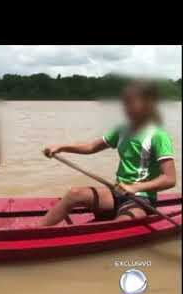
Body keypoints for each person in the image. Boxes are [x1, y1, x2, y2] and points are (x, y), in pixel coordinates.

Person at [39, 80, 176, 227]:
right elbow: (91, 147)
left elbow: (170, 179)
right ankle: (36, 232)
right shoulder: (122, 130)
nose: (127, 108)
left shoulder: (158, 136)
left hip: (141, 200)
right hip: (117, 193)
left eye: (132, 102)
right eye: (125, 103)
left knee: (120, 226)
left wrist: (135, 187)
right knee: (74, 193)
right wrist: (61, 147)